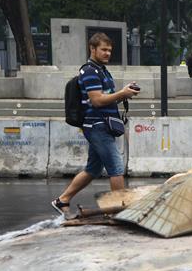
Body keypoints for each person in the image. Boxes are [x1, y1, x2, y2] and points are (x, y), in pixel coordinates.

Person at [51, 33, 139, 215]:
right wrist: (122, 94)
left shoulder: (102, 70)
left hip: (103, 125)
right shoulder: (90, 71)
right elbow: (97, 100)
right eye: (103, 50)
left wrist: (124, 91)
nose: (107, 53)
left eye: (109, 50)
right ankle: (119, 210)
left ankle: (62, 200)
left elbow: (106, 96)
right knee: (116, 168)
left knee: (93, 169)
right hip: (97, 126)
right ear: (92, 49)